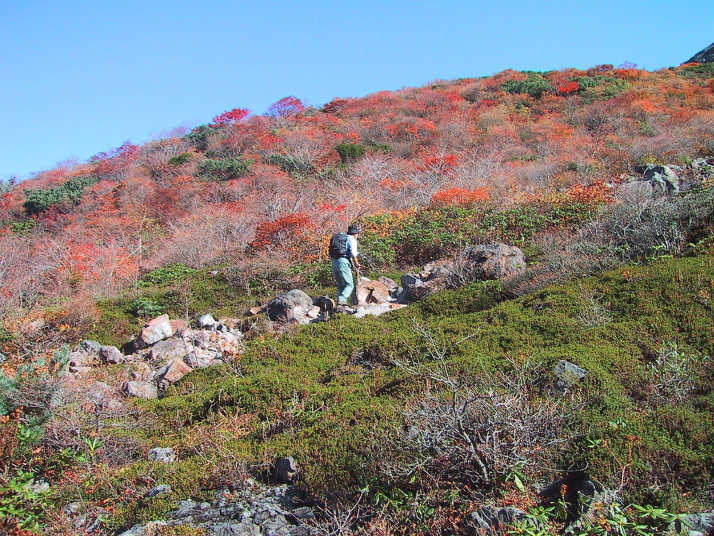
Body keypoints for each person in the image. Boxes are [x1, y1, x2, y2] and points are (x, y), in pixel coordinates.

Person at [330, 224, 362, 306]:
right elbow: (354, 253)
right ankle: (342, 300)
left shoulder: (341, 239)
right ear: (355, 234)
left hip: (334, 262)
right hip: (343, 262)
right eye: (358, 234)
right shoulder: (351, 239)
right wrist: (357, 263)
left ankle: (340, 304)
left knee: (341, 285)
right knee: (349, 285)